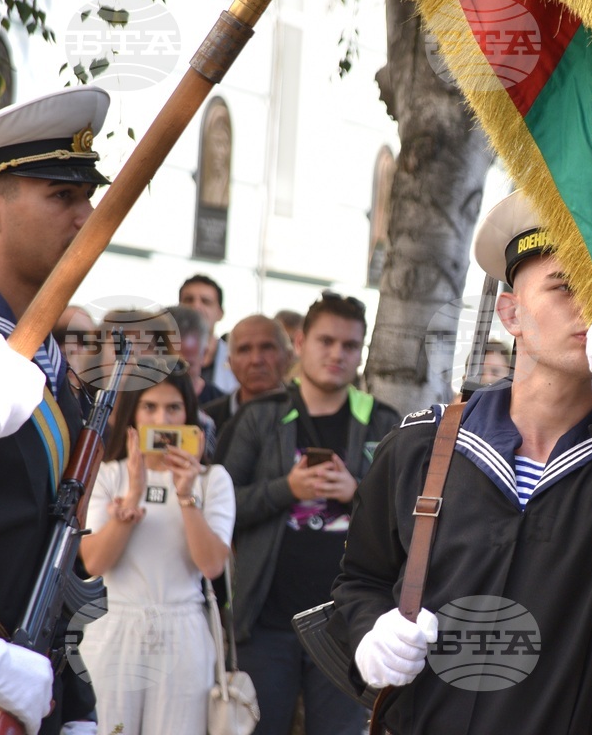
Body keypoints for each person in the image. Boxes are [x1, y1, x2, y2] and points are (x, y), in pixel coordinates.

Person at [326, 191, 592, 734]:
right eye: (565, 285)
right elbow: (361, 579)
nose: (591, 307)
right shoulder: (422, 445)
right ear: (511, 313)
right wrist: (370, 633)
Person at [0, 87, 112, 735]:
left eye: (88, 196)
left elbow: (51, 563)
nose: (87, 216)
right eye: (62, 196)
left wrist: (78, 708)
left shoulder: (49, 363)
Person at [219, 292, 401, 735]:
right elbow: (219, 507)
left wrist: (357, 494)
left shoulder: (383, 421)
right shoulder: (260, 416)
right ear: (300, 343)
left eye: (350, 345)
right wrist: (287, 489)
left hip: (347, 622)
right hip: (265, 620)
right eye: (326, 341)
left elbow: (406, 521)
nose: (337, 354)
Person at [79, 364, 234, 735]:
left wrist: (186, 495)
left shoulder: (213, 480)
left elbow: (211, 566)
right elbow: (95, 562)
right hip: (113, 626)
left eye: (173, 408)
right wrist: (131, 499)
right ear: (132, 413)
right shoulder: (108, 474)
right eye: (149, 407)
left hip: (183, 630)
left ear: (189, 415)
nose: (161, 420)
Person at [203, 313, 291, 439]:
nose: (256, 360)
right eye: (244, 350)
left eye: (267, 348)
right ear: (230, 361)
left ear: (288, 356)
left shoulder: (307, 416)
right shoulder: (206, 422)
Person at [179, 274, 238, 393]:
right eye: (189, 300)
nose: (196, 306)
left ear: (220, 313)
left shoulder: (236, 361)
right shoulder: (160, 356)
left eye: (206, 301)